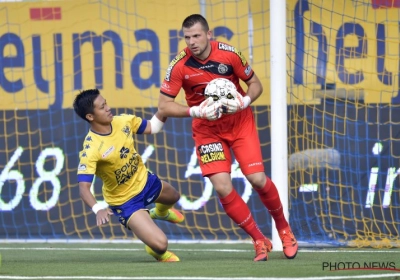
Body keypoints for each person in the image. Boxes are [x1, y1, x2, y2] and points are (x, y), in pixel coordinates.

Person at [158, 14, 298, 261]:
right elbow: (164, 106)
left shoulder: (229, 54)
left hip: (239, 121)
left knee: (256, 179)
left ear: (209, 34)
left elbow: (255, 84)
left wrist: (244, 101)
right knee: (222, 187)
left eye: (197, 36)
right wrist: (196, 110)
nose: (192, 42)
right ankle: (258, 240)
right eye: (187, 37)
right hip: (207, 127)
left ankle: (284, 230)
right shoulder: (179, 65)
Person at [73, 89, 184, 262]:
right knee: (161, 244)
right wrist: (98, 209)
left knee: (173, 196)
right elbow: (83, 188)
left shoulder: (123, 121)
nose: (108, 108)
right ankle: (155, 251)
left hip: (145, 181)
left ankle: (160, 213)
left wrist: (164, 110)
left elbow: (153, 127)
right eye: (102, 107)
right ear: (90, 116)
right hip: (125, 201)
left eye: (106, 103)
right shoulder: (91, 149)